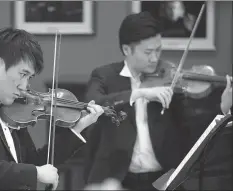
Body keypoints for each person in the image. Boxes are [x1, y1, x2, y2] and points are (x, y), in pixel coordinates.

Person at [0, 27, 104, 190]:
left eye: (29, 77)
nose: (25, 87)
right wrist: (36, 173)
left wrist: (78, 127)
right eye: (22, 74)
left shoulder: (7, 105)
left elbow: (31, 161)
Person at [83, 11, 232, 190]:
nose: (155, 58)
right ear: (126, 50)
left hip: (162, 182)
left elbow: (191, 130)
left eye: (158, 50)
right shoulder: (104, 76)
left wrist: (222, 108)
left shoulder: (169, 79)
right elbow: (93, 103)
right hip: (115, 182)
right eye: (148, 52)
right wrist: (140, 93)